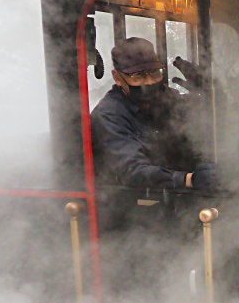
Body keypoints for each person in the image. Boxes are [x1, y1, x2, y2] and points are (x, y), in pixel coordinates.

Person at [90, 37, 219, 192]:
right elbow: (132, 171)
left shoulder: (167, 97)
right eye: (139, 76)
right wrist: (188, 179)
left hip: (174, 198)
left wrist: (208, 93)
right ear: (118, 77)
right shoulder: (110, 114)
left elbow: (197, 125)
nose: (150, 82)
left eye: (154, 73)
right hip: (126, 202)